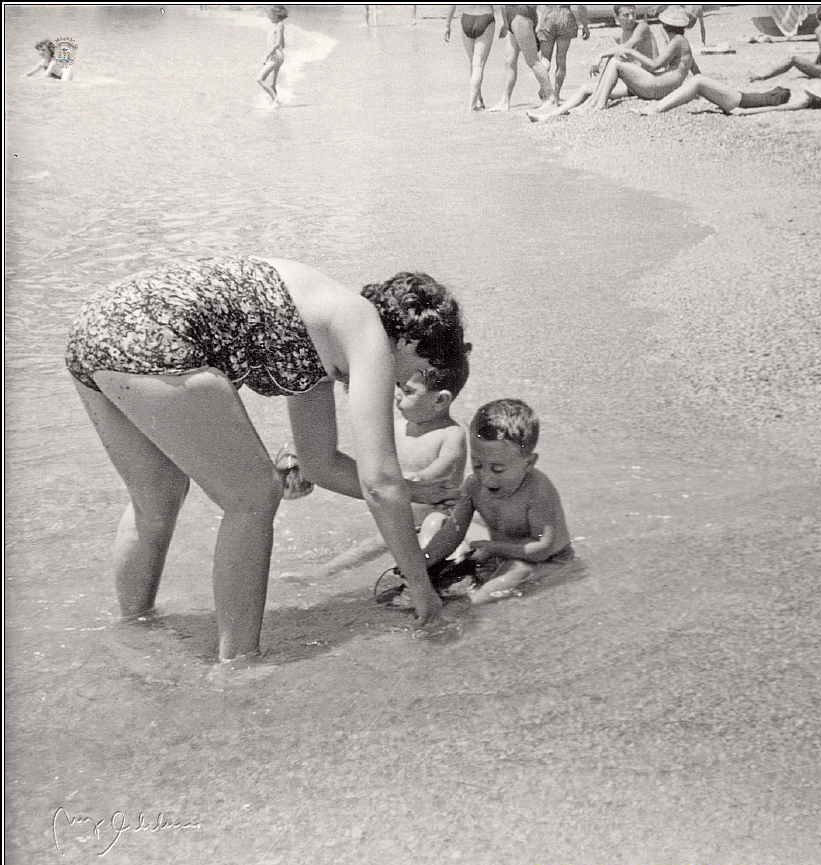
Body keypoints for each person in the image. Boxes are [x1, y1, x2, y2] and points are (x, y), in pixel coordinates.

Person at [66, 258, 471, 660]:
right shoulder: (368, 331)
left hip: (94, 328)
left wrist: (416, 491)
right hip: (152, 333)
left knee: (158, 495)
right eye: (414, 372)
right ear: (410, 342)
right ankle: (238, 663)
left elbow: (320, 463)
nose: (402, 385)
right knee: (255, 496)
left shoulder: (322, 326)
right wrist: (423, 591)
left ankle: (134, 629)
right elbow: (379, 483)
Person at [281, 353, 472, 583]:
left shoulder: (452, 432)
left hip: (436, 517)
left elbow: (446, 464)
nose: (397, 395)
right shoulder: (398, 426)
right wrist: (315, 461)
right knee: (375, 542)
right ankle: (325, 572)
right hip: (402, 514)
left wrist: (419, 477)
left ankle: (425, 576)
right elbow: (372, 463)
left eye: (408, 391)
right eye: (398, 385)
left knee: (392, 542)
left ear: (440, 400)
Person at [421, 400, 571, 605]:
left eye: (498, 469)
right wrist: (423, 562)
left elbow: (543, 548)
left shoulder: (538, 490)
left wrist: (494, 549)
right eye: (477, 464)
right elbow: (452, 534)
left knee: (518, 568)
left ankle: (471, 604)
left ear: (529, 463)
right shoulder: (473, 486)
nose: (486, 477)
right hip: (501, 551)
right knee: (435, 520)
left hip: (547, 561)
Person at [526, 5, 695, 121]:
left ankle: (597, 105)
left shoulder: (642, 27)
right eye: (625, 15)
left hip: (650, 82)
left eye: (632, 14)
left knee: (614, 62)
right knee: (586, 87)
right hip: (639, 85)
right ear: (616, 18)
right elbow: (691, 62)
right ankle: (553, 114)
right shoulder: (622, 35)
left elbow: (633, 52)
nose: (630, 18)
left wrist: (601, 55)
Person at [639, 76, 821, 116]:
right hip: (742, 99)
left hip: (742, 102)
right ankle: (658, 107)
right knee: (697, 82)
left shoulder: (803, 100)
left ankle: (657, 108)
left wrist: (744, 113)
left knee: (698, 81)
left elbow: (777, 108)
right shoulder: (801, 96)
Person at [487, 5, 558, 111]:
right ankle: (505, 101)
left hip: (520, 14)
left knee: (532, 61)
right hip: (513, 14)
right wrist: (505, 22)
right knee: (509, 60)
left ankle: (550, 97)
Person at [749, 6, 821, 83]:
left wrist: (816, 63)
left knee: (793, 59)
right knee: (806, 60)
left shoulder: (820, 29)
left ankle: (763, 77)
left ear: (817, 16)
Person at [445, 6, 503, 111]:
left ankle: (478, 99)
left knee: (473, 63)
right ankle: (471, 106)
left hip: (466, 18)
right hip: (485, 17)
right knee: (478, 65)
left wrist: (447, 25)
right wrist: (506, 22)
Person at [536, 5, 590, 97]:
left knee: (545, 58)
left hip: (547, 15)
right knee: (561, 59)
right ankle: (556, 95)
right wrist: (585, 26)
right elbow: (581, 6)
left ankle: (544, 88)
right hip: (565, 16)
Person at [257, 5, 288, 105]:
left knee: (260, 79)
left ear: (276, 15)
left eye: (271, 14)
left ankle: (276, 100)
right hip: (278, 56)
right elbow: (283, 45)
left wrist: (267, 55)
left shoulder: (279, 25)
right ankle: (275, 105)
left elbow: (278, 43)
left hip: (275, 57)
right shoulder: (279, 25)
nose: (269, 16)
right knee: (272, 84)